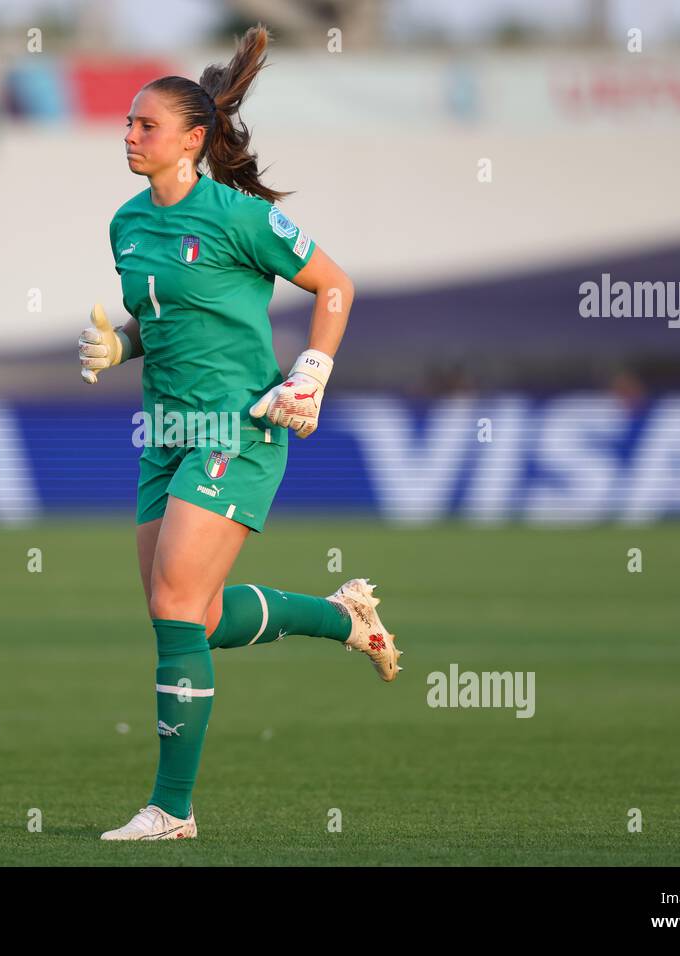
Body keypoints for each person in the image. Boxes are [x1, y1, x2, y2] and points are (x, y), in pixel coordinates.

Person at [78, 25, 400, 842]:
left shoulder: (239, 217)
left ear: (193, 140)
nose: (129, 135)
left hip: (239, 428)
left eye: (145, 126)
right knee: (192, 615)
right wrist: (122, 342)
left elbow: (334, 285)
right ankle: (343, 619)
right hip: (167, 433)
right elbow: (167, 317)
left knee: (174, 603)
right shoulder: (126, 224)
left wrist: (312, 372)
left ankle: (171, 811)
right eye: (127, 123)